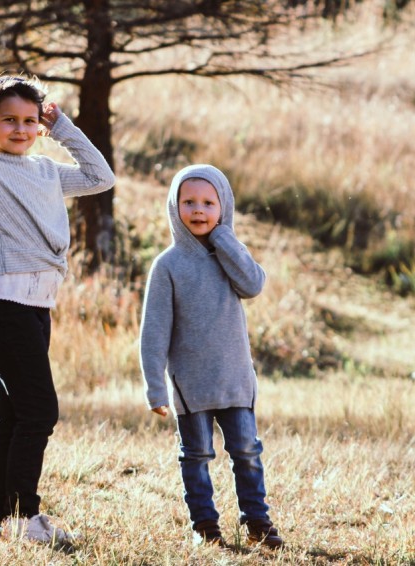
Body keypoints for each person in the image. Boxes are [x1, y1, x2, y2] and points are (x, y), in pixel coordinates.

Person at [0, 74, 116, 546]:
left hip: (37, 306)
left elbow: (101, 177)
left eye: (27, 121)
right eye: (7, 121)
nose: (19, 129)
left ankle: (3, 517)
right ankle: (24, 518)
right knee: (40, 411)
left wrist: (62, 127)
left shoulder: (45, 171)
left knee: (15, 412)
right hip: (3, 302)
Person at [139, 163, 283, 549]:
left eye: (208, 202)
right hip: (191, 385)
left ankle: (258, 523)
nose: (198, 210)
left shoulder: (231, 254)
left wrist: (224, 238)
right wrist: (155, 388)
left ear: (224, 207)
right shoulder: (167, 265)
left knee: (248, 453)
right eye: (188, 202)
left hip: (235, 378)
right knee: (197, 456)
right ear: (174, 207)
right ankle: (205, 528)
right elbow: (154, 333)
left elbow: (253, 284)